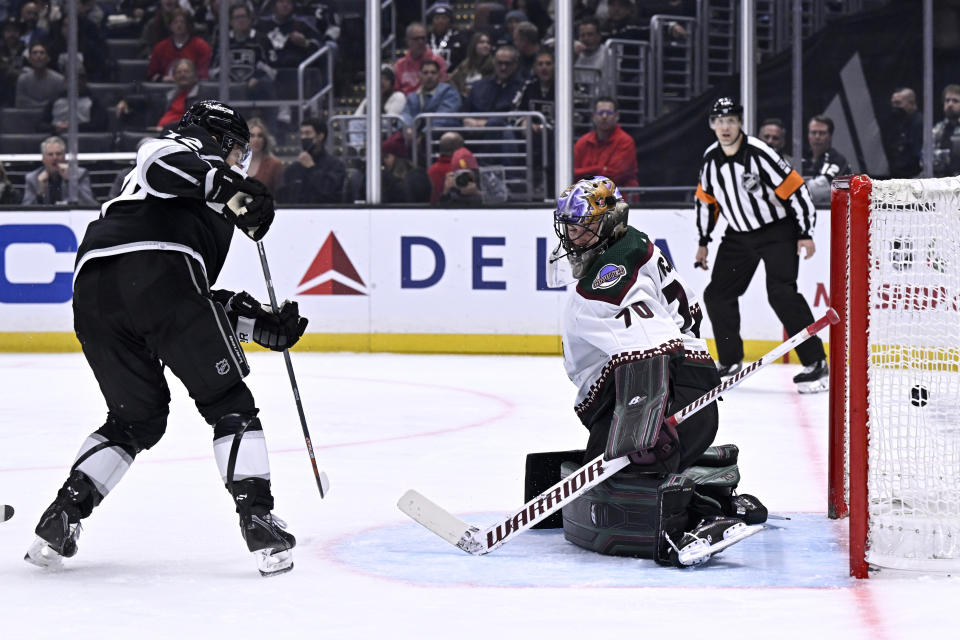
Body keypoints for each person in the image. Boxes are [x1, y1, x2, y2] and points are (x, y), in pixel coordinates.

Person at [24, 100, 306, 577]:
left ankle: (62, 516)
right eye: (238, 152)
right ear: (220, 139)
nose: (240, 163)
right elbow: (158, 163)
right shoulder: (184, 151)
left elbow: (178, 296)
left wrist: (256, 322)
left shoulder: (188, 193)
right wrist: (229, 185)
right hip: (158, 276)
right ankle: (258, 518)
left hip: (94, 293)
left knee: (136, 420)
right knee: (229, 402)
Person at [549, 175, 766, 566]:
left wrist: (644, 418)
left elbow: (652, 348)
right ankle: (717, 494)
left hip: (664, 390)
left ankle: (697, 518)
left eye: (583, 227)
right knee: (605, 464)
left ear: (609, 222)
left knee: (618, 477)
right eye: (569, 226)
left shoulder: (607, 281)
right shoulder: (633, 243)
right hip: (683, 383)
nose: (573, 235)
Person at [693, 97, 827, 393]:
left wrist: (805, 232)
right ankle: (729, 361)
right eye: (719, 121)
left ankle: (816, 361)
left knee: (781, 293)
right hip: (738, 235)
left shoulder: (759, 153)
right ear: (712, 125)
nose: (725, 127)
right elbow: (706, 202)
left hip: (777, 230)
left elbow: (796, 190)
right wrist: (703, 241)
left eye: (731, 121)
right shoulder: (711, 159)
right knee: (717, 294)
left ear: (740, 123)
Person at [573, 97, 639, 187]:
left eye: (609, 113)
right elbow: (571, 173)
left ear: (617, 116)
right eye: (600, 113)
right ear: (593, 116)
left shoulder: (625, 141)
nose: (604, 116)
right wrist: (600, 168)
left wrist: (585, 173)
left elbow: (614, 177)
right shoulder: (583, 142)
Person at [280, 116, 346, 204]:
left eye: (307, 133)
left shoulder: (335, 165)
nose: (303, 137)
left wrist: (311, 168)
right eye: (302, 133)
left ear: (320, 136)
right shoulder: (293, 169)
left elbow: (329, 191)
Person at [22, 136, 97, 206]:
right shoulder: (33, 179)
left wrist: (70, 182)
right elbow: (24, 212)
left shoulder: (80, 175)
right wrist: (40, 194)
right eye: (50, 154)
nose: (55, 158)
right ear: (43, 159)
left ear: (64, 157)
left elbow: (90, 205)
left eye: (58, 154)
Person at [463, 44, 524, 128]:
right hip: (474, 130)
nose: (503, 67)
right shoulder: (479, 86)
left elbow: (514, 117)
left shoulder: (523, 87)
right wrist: (467, 120)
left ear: (515, 65)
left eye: (507, 64)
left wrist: (486, 124)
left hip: (504, 132)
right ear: (494, 62)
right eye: (500, 63)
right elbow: (465, 112)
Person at [400, 59, 462, 138]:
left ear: (439, 75)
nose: (429, 76)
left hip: (442, 135)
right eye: (425, 73)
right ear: (420, 76)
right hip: (415, 136)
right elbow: (406, 114)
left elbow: (443, 118)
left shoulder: (449, 92)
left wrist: (423, 134)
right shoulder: (413, 97)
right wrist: (408, 129)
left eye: (433, 73)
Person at [147, 8, 212, 81]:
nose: (179, 25)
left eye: (182, 22)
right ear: (170, 25)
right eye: (175, 22)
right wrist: (165, 79)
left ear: (189, 25)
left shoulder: (201, 46)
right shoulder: (160, 47)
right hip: (165, 88)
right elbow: (151, 75)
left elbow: (204, 76)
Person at [801, 115, 851, 206]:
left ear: (830, 136)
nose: (817, 137)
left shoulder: (838, 161)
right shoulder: (801, 160)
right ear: (808, 135)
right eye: (813, 132)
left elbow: (816, 192)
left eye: (822, 133)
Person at [394, 22, 448, 96]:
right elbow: (396, 90)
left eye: (423, 38)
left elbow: (441, 88)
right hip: (406, 104)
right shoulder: (400, 65)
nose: (421, 42)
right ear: (407, 41)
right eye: (416, 39)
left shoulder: (438, 61)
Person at [15, 41, 65, 108]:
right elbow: (20, 103)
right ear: (29, 59)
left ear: (48, 58)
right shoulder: (23, 79)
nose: (38, 56)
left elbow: (60, 104)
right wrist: (44, 105)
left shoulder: (59, 80)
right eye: (35, 53)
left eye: (42, 53)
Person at [887, 87, 923, 178]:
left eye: (898, 103)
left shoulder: (919, 124)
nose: (894, 107)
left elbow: (918, 155)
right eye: (893, 103)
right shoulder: (900, 122)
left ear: (911, 103)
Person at [448, 31, 494, 99]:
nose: (486, 45)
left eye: (488, 43)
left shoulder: (494, 65)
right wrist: (460, 93)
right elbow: (451, 81)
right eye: (481, 42)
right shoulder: (465, 64)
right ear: (474, 45)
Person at [425, 1, 467, 72]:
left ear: (450, 20)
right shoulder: (426, 38)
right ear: (432, 21)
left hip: (453, 78)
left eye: (444, 18)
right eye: (437, 18)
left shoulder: (459, 38)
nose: (440, 21)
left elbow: (465, 61)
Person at [247, 117, 285, 194]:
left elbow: (280, 195)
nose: (256, 140)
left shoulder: (274, 164)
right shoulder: (234, 164)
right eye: (252, 135)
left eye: (260, 136)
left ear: (265, 140)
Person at [933, 84, 960, 177]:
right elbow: (924, 159)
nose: (950, 104)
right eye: (947, 100)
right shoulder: (937, 129)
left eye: (955, 101)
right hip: (942, 179)